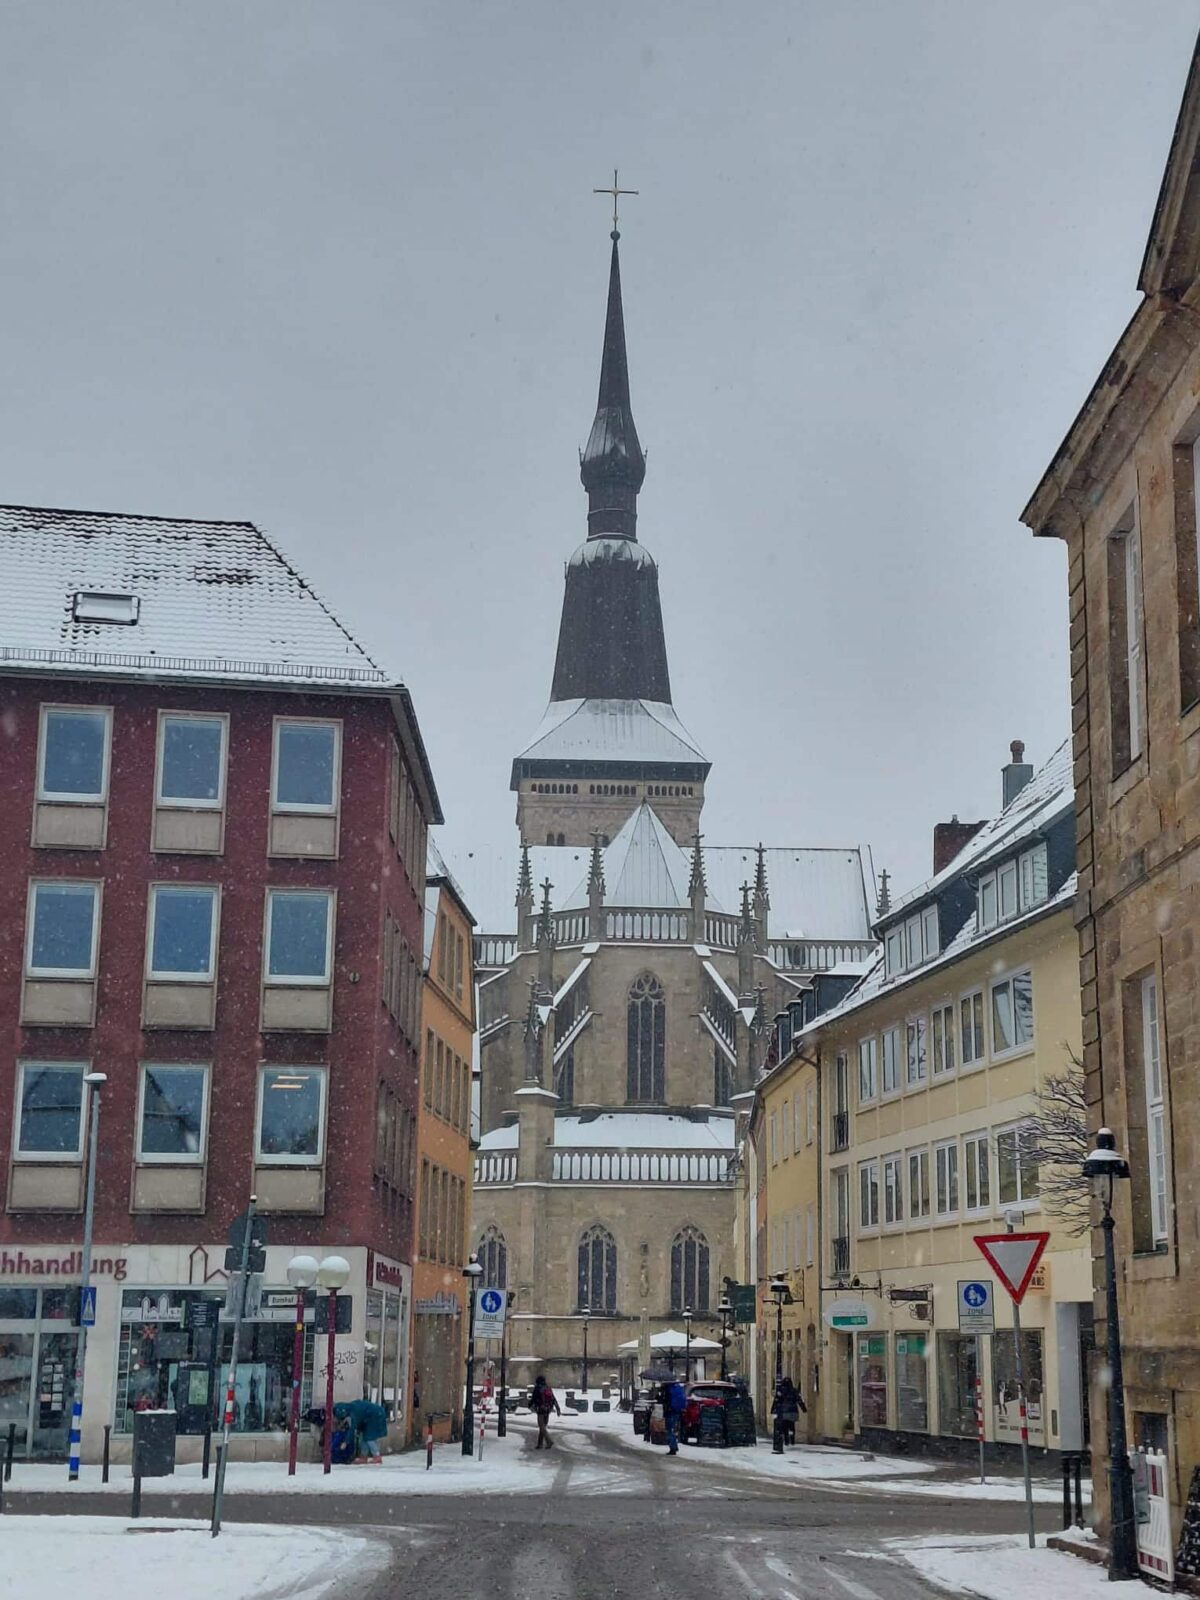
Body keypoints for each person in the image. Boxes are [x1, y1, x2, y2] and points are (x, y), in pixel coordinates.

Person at [334, 1398, 389, 1462]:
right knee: (365, 1437)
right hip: (374, 1415)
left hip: (375, 1417)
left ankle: (377, 1456)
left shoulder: (354, 1412)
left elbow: (352, 1428)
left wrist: (345, 1442)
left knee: (369, 1438)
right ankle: (363, 1456)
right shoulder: (352, 1407)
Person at [771, 1375, 806, 1446]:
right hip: (793, 1411)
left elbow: (776, 1401)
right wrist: (803, 1409)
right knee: (791, 1425)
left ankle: (786, 1440)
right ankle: (792, 1438)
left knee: (784, 1426)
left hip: (783, 1412)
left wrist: (773, 1410)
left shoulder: (780, 1390)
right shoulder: (794, 1391)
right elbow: (799, 1400)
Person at [531, 1374, 561, 1448]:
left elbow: (533, 1399)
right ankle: (540, 1444)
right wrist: (557, 1408)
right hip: (548, 1409)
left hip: (541, 1409)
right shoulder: (548, 1388)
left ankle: (549, 1441)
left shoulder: (537, 1388)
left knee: (542, 1426)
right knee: (543, 1426)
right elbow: (553, 1399)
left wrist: (529, 1405)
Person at [664, 1376, 687, 1455]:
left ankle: (673, 1448)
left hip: (670, 1412)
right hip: (676, 1411)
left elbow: (665, 1401)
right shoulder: (677, 1388)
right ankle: (674, 1446)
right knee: (672, 1429)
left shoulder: (668, 1390)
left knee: (669, 1430)